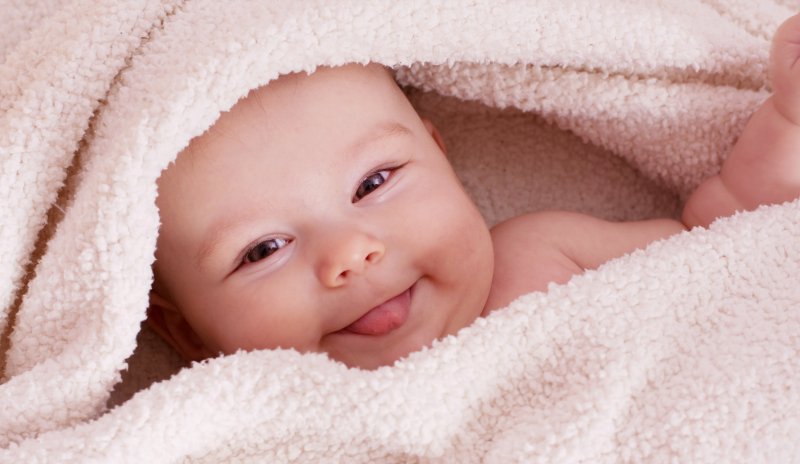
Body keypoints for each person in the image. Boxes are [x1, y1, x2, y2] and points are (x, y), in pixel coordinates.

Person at [147, 15, 800, 370]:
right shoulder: (246, 436)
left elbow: (726, 242)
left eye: (374, 183)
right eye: (262, 249)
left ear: (440, 151)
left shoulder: (537, 262)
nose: (350, 252)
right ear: (190, 335)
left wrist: (789, 122)